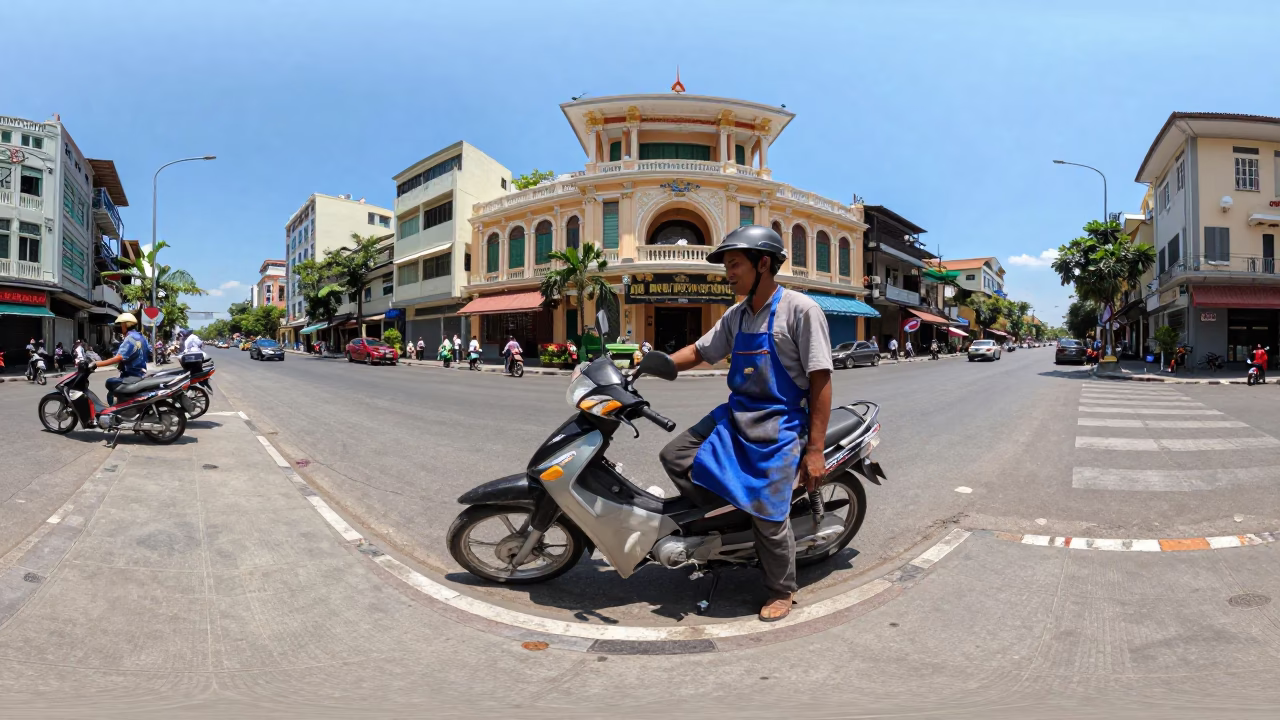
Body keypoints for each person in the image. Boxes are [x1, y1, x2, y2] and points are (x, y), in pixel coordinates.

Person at [658, 225, 833, 623]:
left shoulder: (801, 310)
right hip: (736, 415)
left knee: (770, 517)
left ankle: (781, 589)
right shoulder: (736, 316)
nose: (728, 273)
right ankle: (735, 520)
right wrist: (655, 363)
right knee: (677, 454)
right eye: (727, 266)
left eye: (735, 264)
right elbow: (700, 351)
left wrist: (815, 449)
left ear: (764, 264)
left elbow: (821, 381)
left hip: (781, 424)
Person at [95, 313, 151, 407]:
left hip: (131, 374)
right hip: (141, 373)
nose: (118, 327)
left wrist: (97, 364)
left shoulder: (129, 339)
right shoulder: (142, 337)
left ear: (125, 325)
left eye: (120, 325)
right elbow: (148, 351)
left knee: (110, 383)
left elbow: (119, 358)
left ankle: (114, 412)